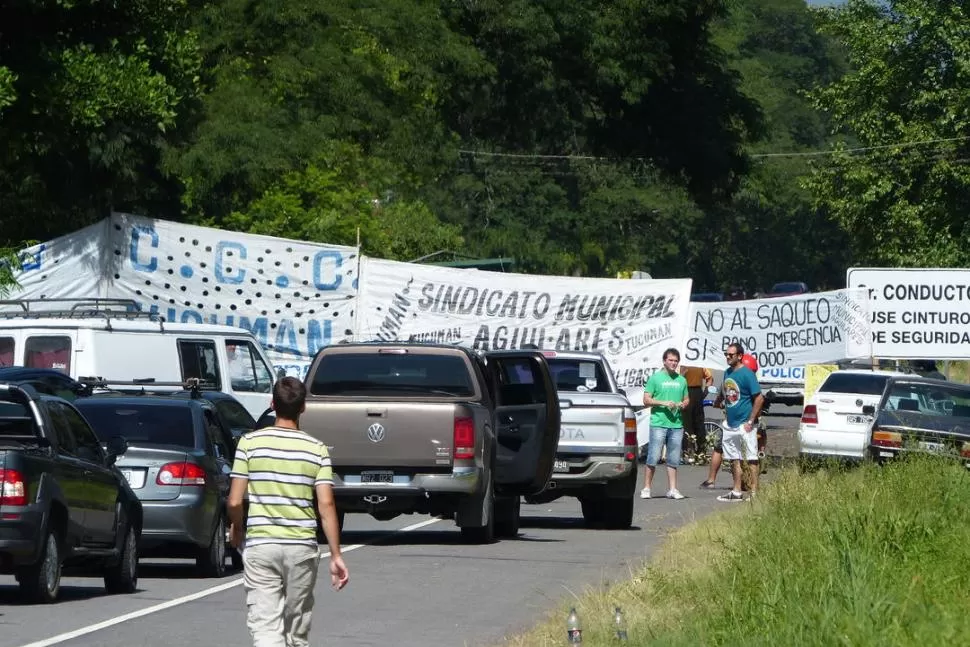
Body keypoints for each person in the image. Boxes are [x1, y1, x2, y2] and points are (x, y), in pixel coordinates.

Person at [228, 376, 350, 647]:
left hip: (262, 544)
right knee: (296, 629)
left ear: (272, 405)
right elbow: (326, 505)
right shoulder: (316, 449)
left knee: (266, 628)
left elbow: (235, 501)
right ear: (303, 407)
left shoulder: (249, 444)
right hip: (301, 547)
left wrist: (237, 527)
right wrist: (336, 555)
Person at [712, 343, 765, 502]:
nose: (728, 357)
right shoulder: (727, 373)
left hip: (745, 423)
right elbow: (726, 392)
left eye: (731, 355)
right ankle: (736, 491)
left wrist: (750, 420)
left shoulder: (747, 374)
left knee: (751, 457)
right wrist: (719, 401)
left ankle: (754, 492)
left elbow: (759, 398)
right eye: (726, 354)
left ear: (740, 356)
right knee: (734, 457)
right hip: (730, 423)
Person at [640, 348, 690, 500]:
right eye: (671, 360)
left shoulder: (682, 380)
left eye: (676, 361)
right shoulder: (656, 378)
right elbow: (646, 400)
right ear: (664, 361)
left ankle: (673, 489)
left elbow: (687, 399)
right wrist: (663, 403)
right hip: (659, 423)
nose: (673, 363)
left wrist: (683, 404)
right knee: (653, 456)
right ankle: (647, 488)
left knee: (674, 458)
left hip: (676, 424)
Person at [680, 363, 713, 462]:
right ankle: (696, 450)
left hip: (691, 391)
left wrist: (705, 392)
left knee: (691, 423)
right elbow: (710, 378)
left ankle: (692, 451)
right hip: (692, 391)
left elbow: (710, 377)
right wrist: (705, 391)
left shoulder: (696, 363)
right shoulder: (699, 363)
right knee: (694, 422)